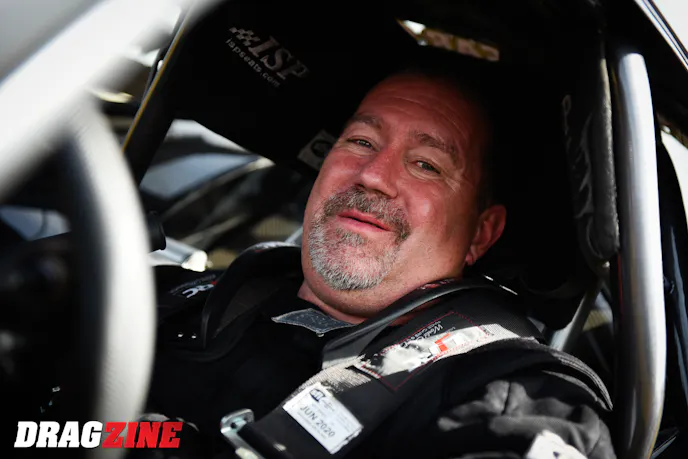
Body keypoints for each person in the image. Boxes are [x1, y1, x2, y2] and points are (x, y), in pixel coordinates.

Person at [144, 57, 616, 459]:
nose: (373, 175)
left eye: (426, 165)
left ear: (480, 233)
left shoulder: (515, 399)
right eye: (361, 142)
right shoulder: (175, 298)